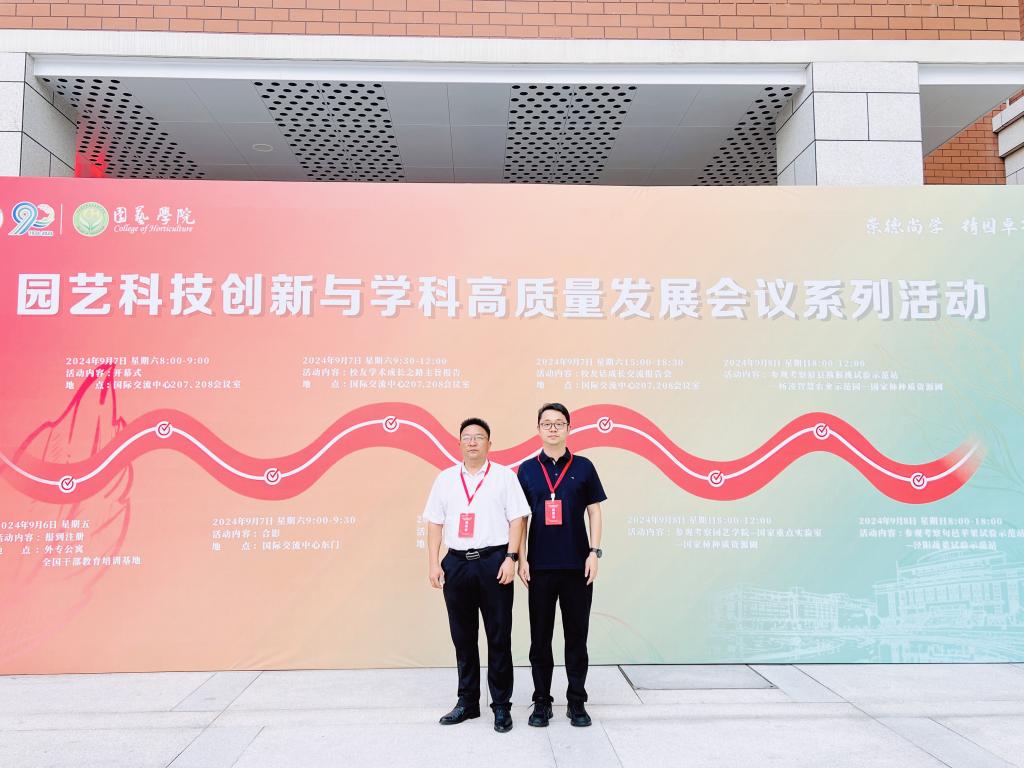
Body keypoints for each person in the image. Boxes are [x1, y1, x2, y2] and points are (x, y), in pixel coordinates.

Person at [424, 417, 530, 733]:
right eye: (467, 437)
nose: (472, 442)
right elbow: (434, 522)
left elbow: (518, 520)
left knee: (499, 636)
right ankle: (468, 702)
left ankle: (501, 706)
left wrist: (511, 557)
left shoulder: (504, 477)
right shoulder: (445, 479)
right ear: (459, 443)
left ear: (489, 443)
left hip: (494, 561)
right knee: (463, 636)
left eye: (479, 437)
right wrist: (433, 563)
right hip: (456, 563)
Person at [516, 403, 606, 728]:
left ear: (569, 428)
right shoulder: (526, 470)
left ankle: (577, 702)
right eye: (547, 423)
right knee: (540, 640)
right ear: (538, 429)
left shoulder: (584, 466)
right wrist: (521, 558)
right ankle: (542, 702)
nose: (552, 428)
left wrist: (594, 552)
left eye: (558, 423)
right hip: (539, 568)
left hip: (577, 567)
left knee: (576, 638)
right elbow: (520, 519)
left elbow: (595, 511)